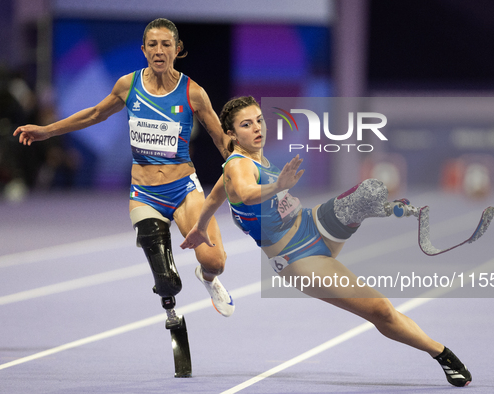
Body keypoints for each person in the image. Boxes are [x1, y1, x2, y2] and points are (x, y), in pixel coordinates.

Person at [180, 96, 472, 387]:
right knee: (380, 310)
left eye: (259, 120)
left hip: (312, 224)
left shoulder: (251, 162)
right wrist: (278, 186)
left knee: (370, 190)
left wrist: (200, 226)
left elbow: (218, 193)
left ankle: (395, 209)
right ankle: (442, 354)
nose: (257, 128)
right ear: (230, 134)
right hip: (298, 258)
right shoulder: (238, 165)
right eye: (246, 124)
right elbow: (244, 193)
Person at [13, 18, 235, 320]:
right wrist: (47, 131)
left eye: (166, 44)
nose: (159, 51)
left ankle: (208, 279)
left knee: (216, 262)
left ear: (177, 49)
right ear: (143, 49)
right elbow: (94, 114)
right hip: (144, 194)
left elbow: (220, 138)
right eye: (153, 45)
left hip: (183, 189)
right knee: (168, 282)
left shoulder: (193, 92)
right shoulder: (128, 86)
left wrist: (242, 165)